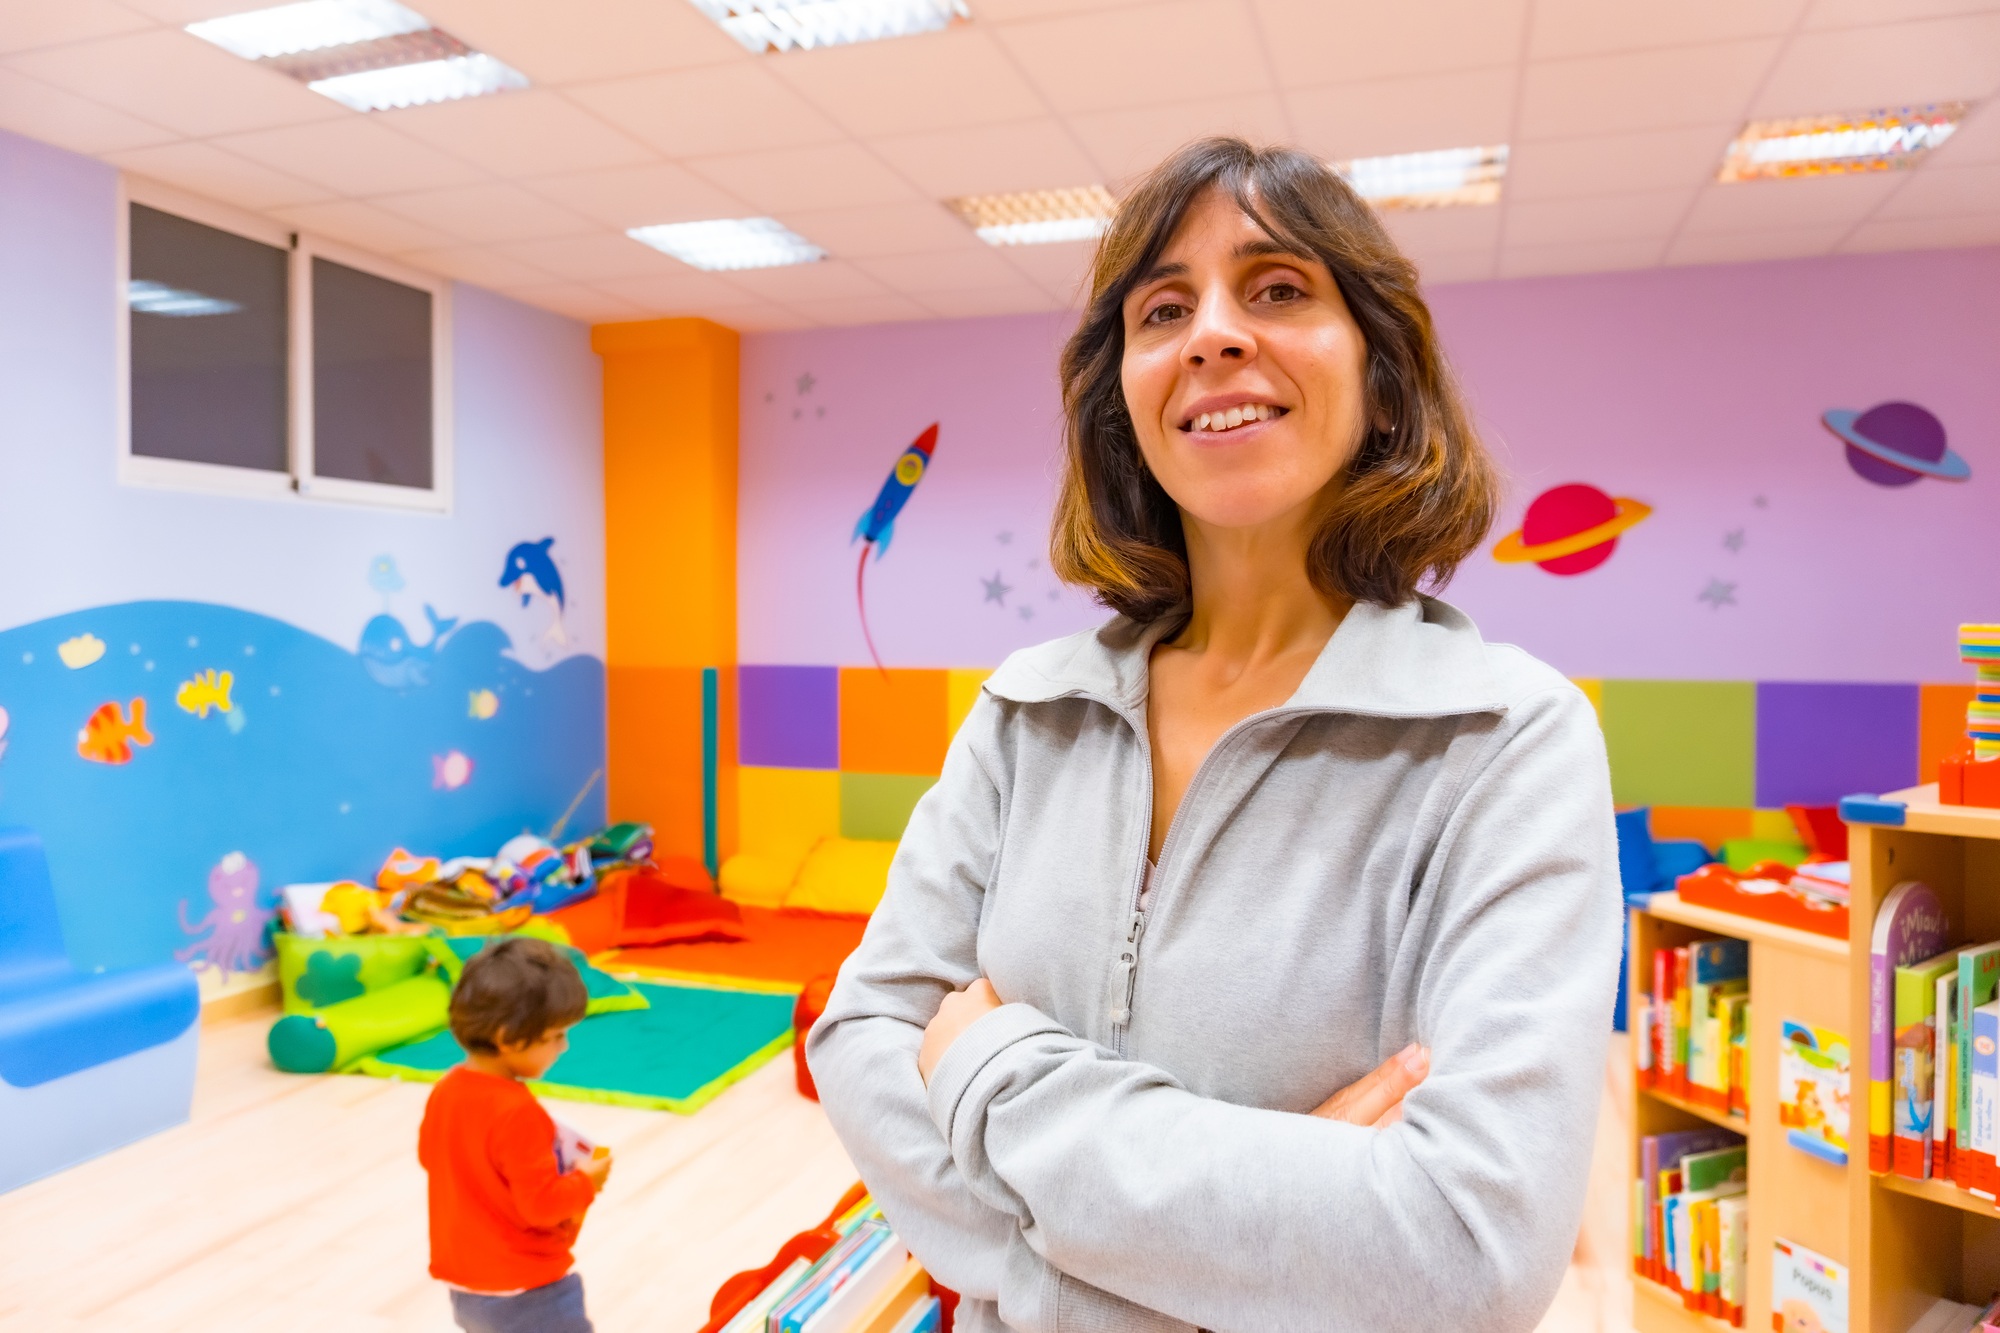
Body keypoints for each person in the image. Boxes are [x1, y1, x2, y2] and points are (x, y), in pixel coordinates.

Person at [806, 137, 1620, 1333]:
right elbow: (864, 1031)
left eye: (1279, 289)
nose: (1213, 334)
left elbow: (1464, 1252)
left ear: (1380, 371)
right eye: (1163, 308)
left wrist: (989, 1071)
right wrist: (1251, 1249)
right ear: (1121, 394)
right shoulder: (1026, 713)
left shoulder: (1504, 738)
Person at [418, 937, 613, 1333]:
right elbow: (541, 1207)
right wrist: (586, 1180)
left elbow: (431, 1157)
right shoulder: (518, 1111)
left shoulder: (447, 1088)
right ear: (508, 1038)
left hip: (467, 1284)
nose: (564, 1046)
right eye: (556, 1035)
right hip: (528, 1288)